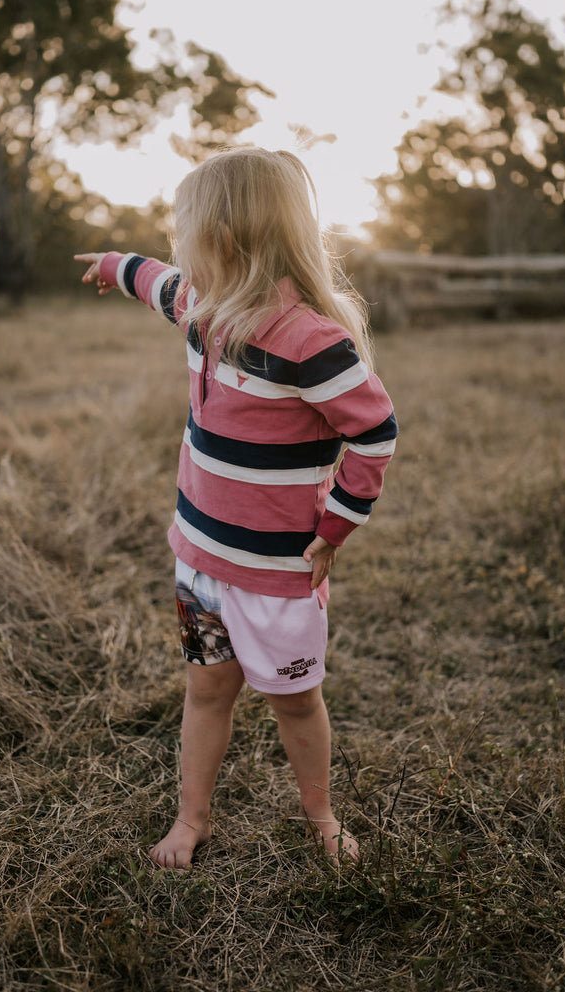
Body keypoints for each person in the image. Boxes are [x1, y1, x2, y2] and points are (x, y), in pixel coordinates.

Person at [75, 147, 397, 870]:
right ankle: (193, 820)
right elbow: (153, 281)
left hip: (277, 576)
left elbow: (374, 433)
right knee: (206, 690)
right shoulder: (201, 306)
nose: (175, 248)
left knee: (293, 704)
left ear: (221, 238)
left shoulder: (310, 340)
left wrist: (337, 525)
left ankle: (320, 814)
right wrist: (111, 264)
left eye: (182, 230)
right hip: (200, 563)